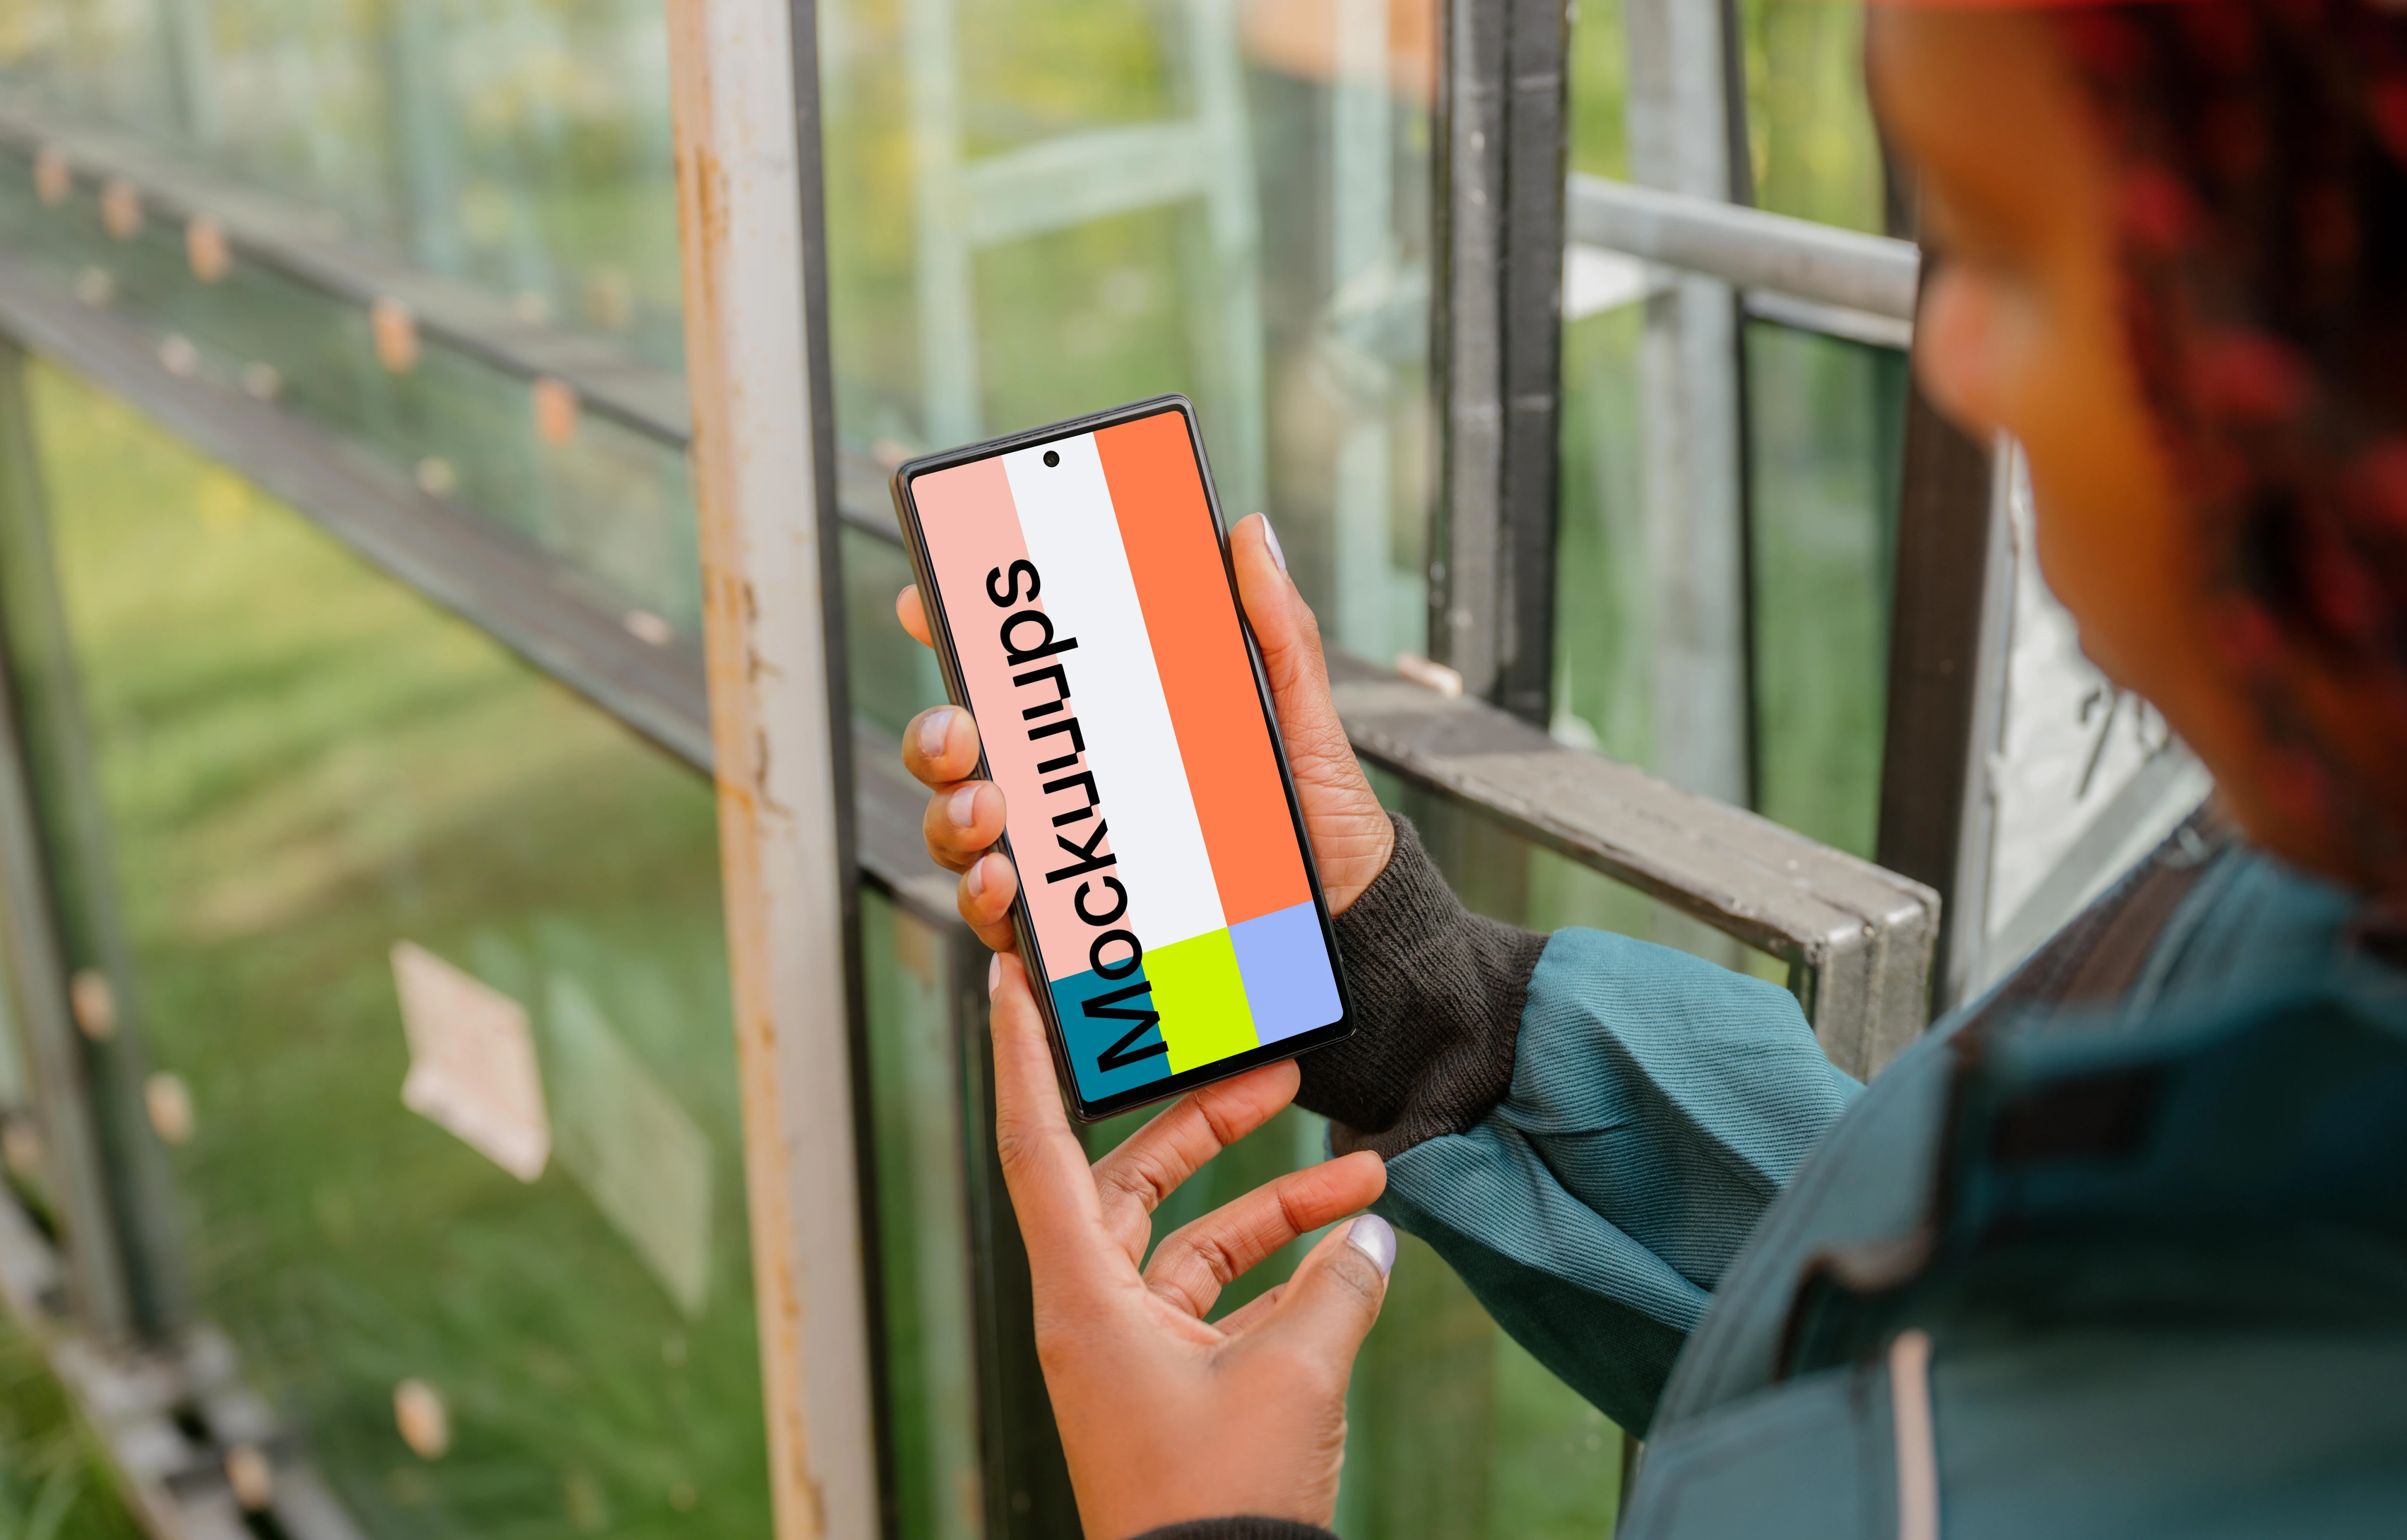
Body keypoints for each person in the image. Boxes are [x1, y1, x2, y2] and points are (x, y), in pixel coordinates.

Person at [895, 1, 2407, 1535]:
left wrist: (1200, 1527)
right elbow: (1967, 1320)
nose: (1947, 366)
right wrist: (1412, 1001)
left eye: (2011, 254)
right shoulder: (2325, 900)